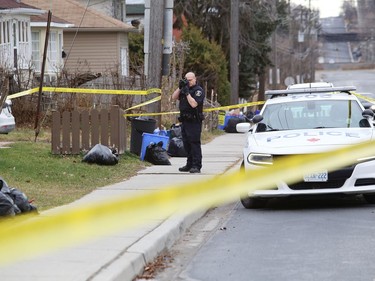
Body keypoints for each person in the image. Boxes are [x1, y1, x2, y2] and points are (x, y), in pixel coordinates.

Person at [172, 72, 205, 173]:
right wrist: (180, 87)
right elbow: (174, 97)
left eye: (190, 80)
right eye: (187, 80)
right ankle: (189, 164)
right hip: (185, 120)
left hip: (194, 121)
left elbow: (194, 104)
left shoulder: (198, 90)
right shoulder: (184, 88)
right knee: (186, 143)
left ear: (195, 79)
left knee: (194, 143)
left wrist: (187, 93)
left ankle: (196, 165)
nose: (189, 82)